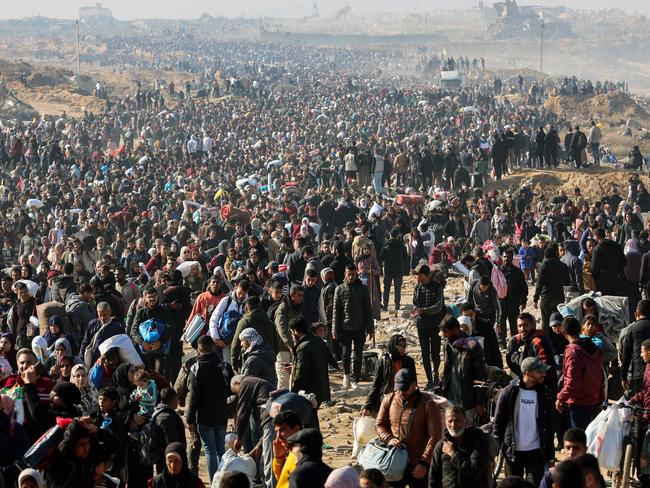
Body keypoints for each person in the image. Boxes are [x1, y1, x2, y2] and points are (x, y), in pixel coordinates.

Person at [375, 368, 443, 488]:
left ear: (414, 384)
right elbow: (379, 425)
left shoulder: (428, 404)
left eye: (405, 388)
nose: (402, 392)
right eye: (399, 388)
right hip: (394, 462)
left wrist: (424, 462)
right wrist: (389, 438)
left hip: (417, 465)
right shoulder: (389, 399)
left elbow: (435, 436)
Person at [493, 357, 555, 486]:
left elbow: (549, 427)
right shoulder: (508, 393)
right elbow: (499, 425)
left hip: (536, 452)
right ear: (527, 373)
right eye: (539, 372)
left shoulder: (545, 394)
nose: (543, 374)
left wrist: (550, 456)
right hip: (513, 453)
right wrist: (494, 452)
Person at [186, 335, 228, 481]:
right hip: (221, 413)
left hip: (204, 416)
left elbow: (194, 396)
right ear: (213, 347)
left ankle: (214, 481)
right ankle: (222, 480)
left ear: (199, 348)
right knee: (221, 449)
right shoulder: (223, 365)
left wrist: (190, 417)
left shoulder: (196, 368)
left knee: (209, 450)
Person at [556, 316, 604, 430]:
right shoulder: (594, 348)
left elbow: (573, 382)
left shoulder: (572, 352)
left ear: (563, 332)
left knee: (580, 441)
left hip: (579, 404)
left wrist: (560, 398)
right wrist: (600, 400)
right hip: (594, 401)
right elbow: (601, 376)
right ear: (579, 329)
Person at [332, 264, 374, 389]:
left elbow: (368, 310)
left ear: (357, 274)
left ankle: (356, 379)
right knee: (345, 353)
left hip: (360, 327)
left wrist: (370, 328)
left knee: (358, 354)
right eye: (348, 274)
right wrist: (334, 329)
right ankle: (346, 375)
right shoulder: (339, 289)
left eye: (353, 274)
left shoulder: (363, 289)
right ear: (345, 274)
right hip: (345, 328)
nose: (351, 277)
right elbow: (336, 311)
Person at [429, 405, 492, 488]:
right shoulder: (442, 445)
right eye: (450, 421)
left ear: (465, 421)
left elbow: (474, 472)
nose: (453, 425)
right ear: (445, 422)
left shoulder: (477, 442)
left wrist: (453, 454)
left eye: (457, 421)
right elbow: (434, 477)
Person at [439, 317, 487, 426]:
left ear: (456, 330)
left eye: (446, 332)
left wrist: (479, 403)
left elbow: (480, 376)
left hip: (468, 402)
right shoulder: (448, 345)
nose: (445, 336)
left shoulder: (472, 346)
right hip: (450, 400)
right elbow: (447, 370)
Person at [230, 374, 275, 488]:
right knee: (266, 456)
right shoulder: (257, 383)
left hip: (271, 419)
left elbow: (243, 412)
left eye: (236, 392)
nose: (238, 395)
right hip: (273, 419)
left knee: (269, 459)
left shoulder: (246, 382)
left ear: (237, 383)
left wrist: (239, 438)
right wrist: (258, 445)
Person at [411, 264, 446, 390]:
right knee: (425, 354)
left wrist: (423, 311)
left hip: (435, 325)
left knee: (435, 353)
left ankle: (436, 373)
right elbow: (415, 304)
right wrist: (416, 311)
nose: (416, 277)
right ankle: (429, 379)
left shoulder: (437, 287)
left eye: (418, 274)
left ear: (424, 275)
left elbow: (438, 307)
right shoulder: (417, 288)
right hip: (422, 326)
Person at [363, 334, 416, 416]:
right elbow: (376, 385)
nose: (402, 349)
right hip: (387, 397)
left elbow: (414, 382)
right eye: (400, 346)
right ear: (393, 346)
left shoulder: (408, 361)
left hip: (404, 398)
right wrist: (367, 407)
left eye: (404, 346)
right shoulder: (383, 362)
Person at [505, 313, 557, 390]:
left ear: (532, 325)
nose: (522, 329)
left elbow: (547, 367)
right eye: (520, 326)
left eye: (526, 325)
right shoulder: (517, 341)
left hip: (542, 388)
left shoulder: (537, 342)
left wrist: (534, 381)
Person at [231, 296, 280, 372]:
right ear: (260, 306)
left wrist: (234, 364)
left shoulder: (244, 322)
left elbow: (236, 343)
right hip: (268, 364)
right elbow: (277, 346)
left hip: (249, 364)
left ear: (246, 307)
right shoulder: (270, 323)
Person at [290, 318, 330, 406]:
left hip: (307, 392)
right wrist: (293, 366)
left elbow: (301, 374)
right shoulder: (319, 341)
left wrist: (293, 393)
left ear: (295, 331)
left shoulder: (303, 347)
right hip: (319, 390)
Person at [533, 244, 570, 332]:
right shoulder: (563, 266)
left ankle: (546, 341)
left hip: (546, 297)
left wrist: (535, 298)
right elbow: (567, 282)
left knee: (545, 322)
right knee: (558, 321)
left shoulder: (544, 266)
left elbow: (539, 283)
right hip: (559, 297)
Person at [275, 283, 304, 389]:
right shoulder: (283, 308)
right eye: (299, 295)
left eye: (302, 295)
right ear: (292, 295)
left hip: (294, 347)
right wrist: (290, 345)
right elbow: (282, 329)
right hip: (283, 348)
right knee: (284, 379)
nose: (301, 298)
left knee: (293, 378)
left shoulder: (297, 307)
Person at [80, 302, 125, 368]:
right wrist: (80, 358)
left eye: (105, 315)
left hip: (109, 364)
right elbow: (85, 342)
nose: (103, 318)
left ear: (110, 312)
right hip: (93, 362)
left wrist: (106, 356)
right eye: (100, 315)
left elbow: (120, 346)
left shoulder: (117, 326)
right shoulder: (92, 324)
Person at [499, 248, 528, 347]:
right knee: (501, 323)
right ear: (502, 258)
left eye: (508, 257)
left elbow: (523, 288)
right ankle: (502, 343)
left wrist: (523, 301)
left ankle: (515, 342)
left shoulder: (517, 272)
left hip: (513, 302)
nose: (506, 259)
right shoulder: (498, 271)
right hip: (501, 302)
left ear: (512, 258)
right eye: (505, 257)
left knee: (514, 324)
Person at [621, 300, 650, 394]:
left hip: (639, 374)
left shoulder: (632, 329)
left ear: (637, 313)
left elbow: (626, 354)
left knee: (641, 403)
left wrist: (623, 376)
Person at [591, 227, 627, 296]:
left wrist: (597, 279)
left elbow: (594, 268)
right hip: (617, 279)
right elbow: (624, 261)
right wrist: (618, 271)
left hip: (603, 282)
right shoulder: (616, 245)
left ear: (596, 236)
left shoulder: (597, 249)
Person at [272, 411, 303, 488]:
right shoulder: (291, 453)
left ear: (296, 429)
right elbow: (283, 480)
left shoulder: (301, 456)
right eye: (276, 432)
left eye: (282, 430)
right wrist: (279, 459)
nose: (278, 437)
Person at [381, 228, 409, 311]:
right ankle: (397, 306)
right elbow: (405, 258)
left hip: (388, 270)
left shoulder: (386, 246)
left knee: (386, 289)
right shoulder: (402, 246)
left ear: (390, 235)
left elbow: (381, 257)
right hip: (398, 270)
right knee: (397, 290)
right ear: (397, 236)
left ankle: (385, 306)